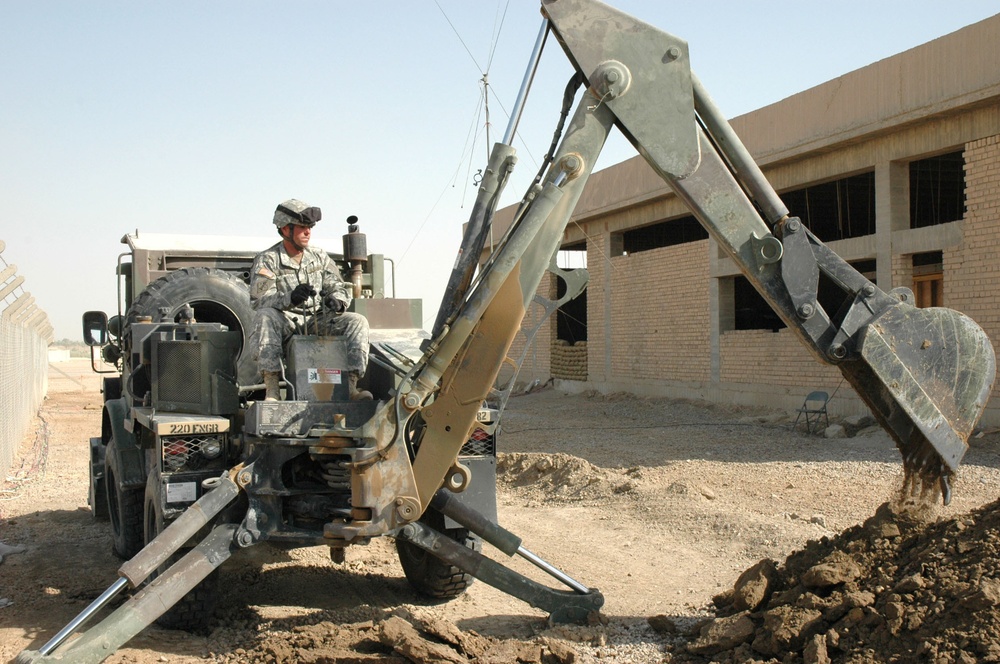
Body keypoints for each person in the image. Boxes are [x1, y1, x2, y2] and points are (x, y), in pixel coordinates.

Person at [249, 198, 372, 401]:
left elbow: (338, 286)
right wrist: (289, 298)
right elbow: (258, 300)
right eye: (302, 227)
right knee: (264, 316)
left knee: (357, 321)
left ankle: (350, 388)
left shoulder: (319, 257)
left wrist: (337, 300)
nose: (308, 232)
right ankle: (272, 390)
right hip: (286, 324)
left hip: (316, 321)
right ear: (285, 229)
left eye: (310, 228)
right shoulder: (268, 259)